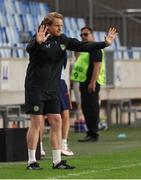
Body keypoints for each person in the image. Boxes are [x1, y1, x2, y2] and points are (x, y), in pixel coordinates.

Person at [25, 12, 117, 170]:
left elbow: (83, 46)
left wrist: (104, 43)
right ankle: (32, 161)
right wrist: (37, 43)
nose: (60, 28)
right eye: (57, 26)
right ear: (48, 26)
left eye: (61, 25)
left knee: (57, 120)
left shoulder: (63, 40)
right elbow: (30, 48)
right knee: (36, 122)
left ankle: (57, 161)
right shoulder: (39, 37)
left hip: (52, 89)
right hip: (36, 88)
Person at [72, 27, 106, 142]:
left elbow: (97, 66)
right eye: (81, 35)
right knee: (86, 108)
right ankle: (90, 132)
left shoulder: (95, 48)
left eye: (85, 34)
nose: (83, 37)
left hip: (91, 83)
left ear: (92, 35)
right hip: (84, 81)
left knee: (92, 107)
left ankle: (93, 133)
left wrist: (92, 82)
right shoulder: (84, 50)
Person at [40, 67, 74, 157]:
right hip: (57, 81)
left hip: (42, 82)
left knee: (41, 116)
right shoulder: (60, 52)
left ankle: (40, 147)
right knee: (64, 114)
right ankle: (63, 145)